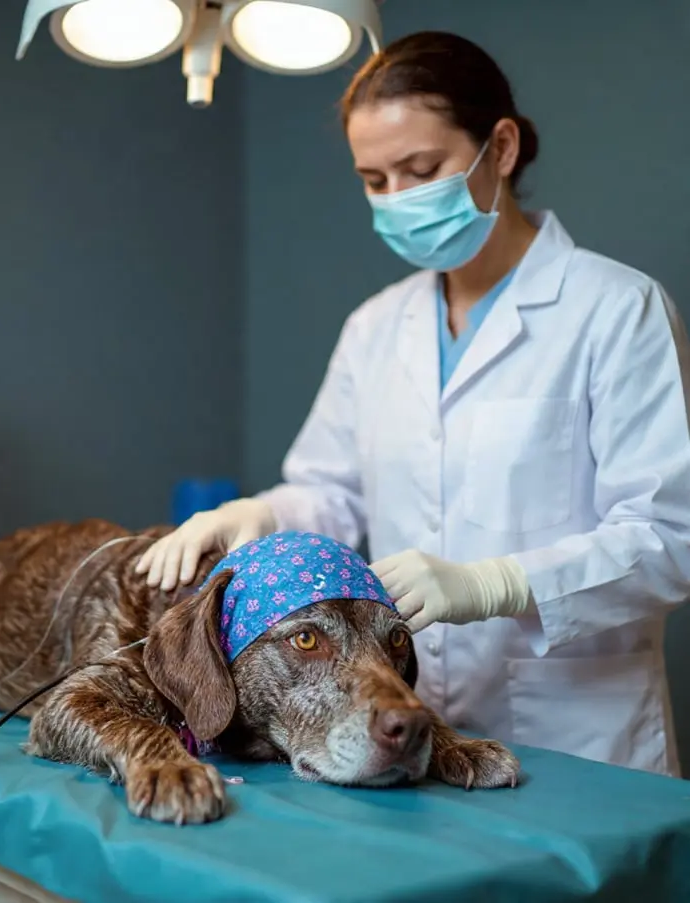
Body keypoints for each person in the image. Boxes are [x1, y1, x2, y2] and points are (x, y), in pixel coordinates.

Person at [136, 31, 690, 776]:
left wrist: (494, 583)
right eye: (375, 179)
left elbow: (667, 537)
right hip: (399, 723)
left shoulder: (616, 309)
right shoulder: (375, 327)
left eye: (421, 170)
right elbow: (331, 496)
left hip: (577, 729)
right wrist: (261, 516)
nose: (398, 199)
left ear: (500, 148)